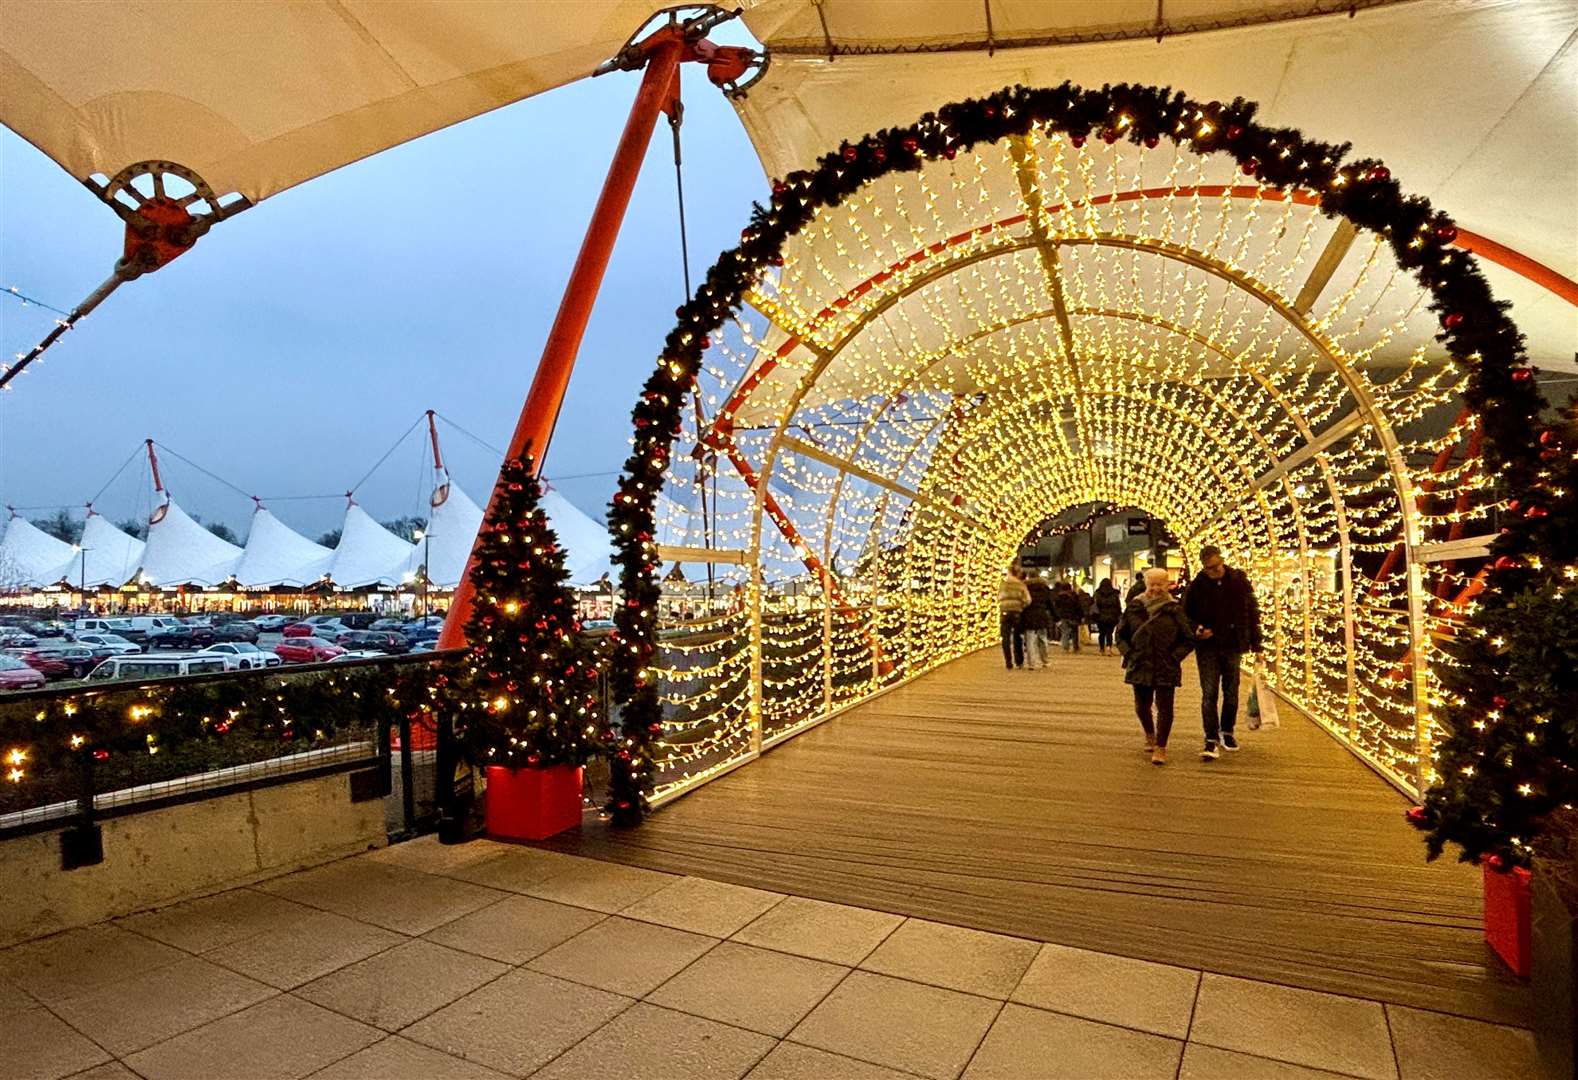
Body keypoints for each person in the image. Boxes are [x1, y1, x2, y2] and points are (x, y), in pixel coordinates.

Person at [1183, 545, 1263, 760]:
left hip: (1232, 644)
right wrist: (1197, 629)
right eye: (1209, 569)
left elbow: (1251, 612)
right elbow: (1185, 615)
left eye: (1216, 567)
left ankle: (1227, 731)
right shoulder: (1197, 586)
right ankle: (1210, 737)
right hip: (1208, 646)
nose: (1213, 572)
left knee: (1231, 692)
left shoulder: (1238, 581)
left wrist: (1257, 645)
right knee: (1209, 693)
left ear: (1222, 561)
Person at [1117, 568, 1203, 765]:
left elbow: (1188, 639)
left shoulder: (1174, 609)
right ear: (1146, 585)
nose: (1155, 588)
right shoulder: (1135, 607)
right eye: (1151, 584)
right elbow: (1120, 634)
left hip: (1166, 664)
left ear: (1167, 585)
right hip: (1140, 662)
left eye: (1159, 584)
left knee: (1165, 707)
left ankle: (1161, 746)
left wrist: (1175, 657)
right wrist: (1129, 653)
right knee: (1142, 706)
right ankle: (1150, 733)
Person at [998, 564, 1031, 670]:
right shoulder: (1020, 585)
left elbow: (999, 597)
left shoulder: (1002, 585)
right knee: (1017, 637)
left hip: (1005, 613)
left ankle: (1008, 662)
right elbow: (1027, 600)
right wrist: (1020, 606)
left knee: (1005, 638)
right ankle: (1019, 661)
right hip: (1017, 612)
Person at [1021, 573, 1054, 669]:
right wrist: (1056, 617)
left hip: (1029, 615)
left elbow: (1023, 602)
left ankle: (1032, 663)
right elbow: (1050, 604)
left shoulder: (1025, 588)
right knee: (1043, 639)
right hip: (1041, 615)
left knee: (1030, 640)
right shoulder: (1045, 589)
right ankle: (1045, 661)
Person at [1093, 578, 1124, 655]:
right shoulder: (1114, 594)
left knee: (1101, 633)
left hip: (1100, 616)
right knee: (1109, 632)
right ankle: (1109, 648)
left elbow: (1096, 605)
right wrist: (1119, 614)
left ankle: (1101, 649)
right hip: (1112, 616)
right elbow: (1117, 605)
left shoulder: (1098, 593)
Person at [1052, 581, 1083, 652]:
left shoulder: (1059, 597)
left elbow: (1056, 607)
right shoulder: (1074, 595)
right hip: (1073, 616)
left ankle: (1065, 647)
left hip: (1063, 616)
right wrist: (1081, 616)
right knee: (1075, 632)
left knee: (1065, 632)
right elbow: (1078, 606)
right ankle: (1075, 647)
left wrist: (1057, 616)